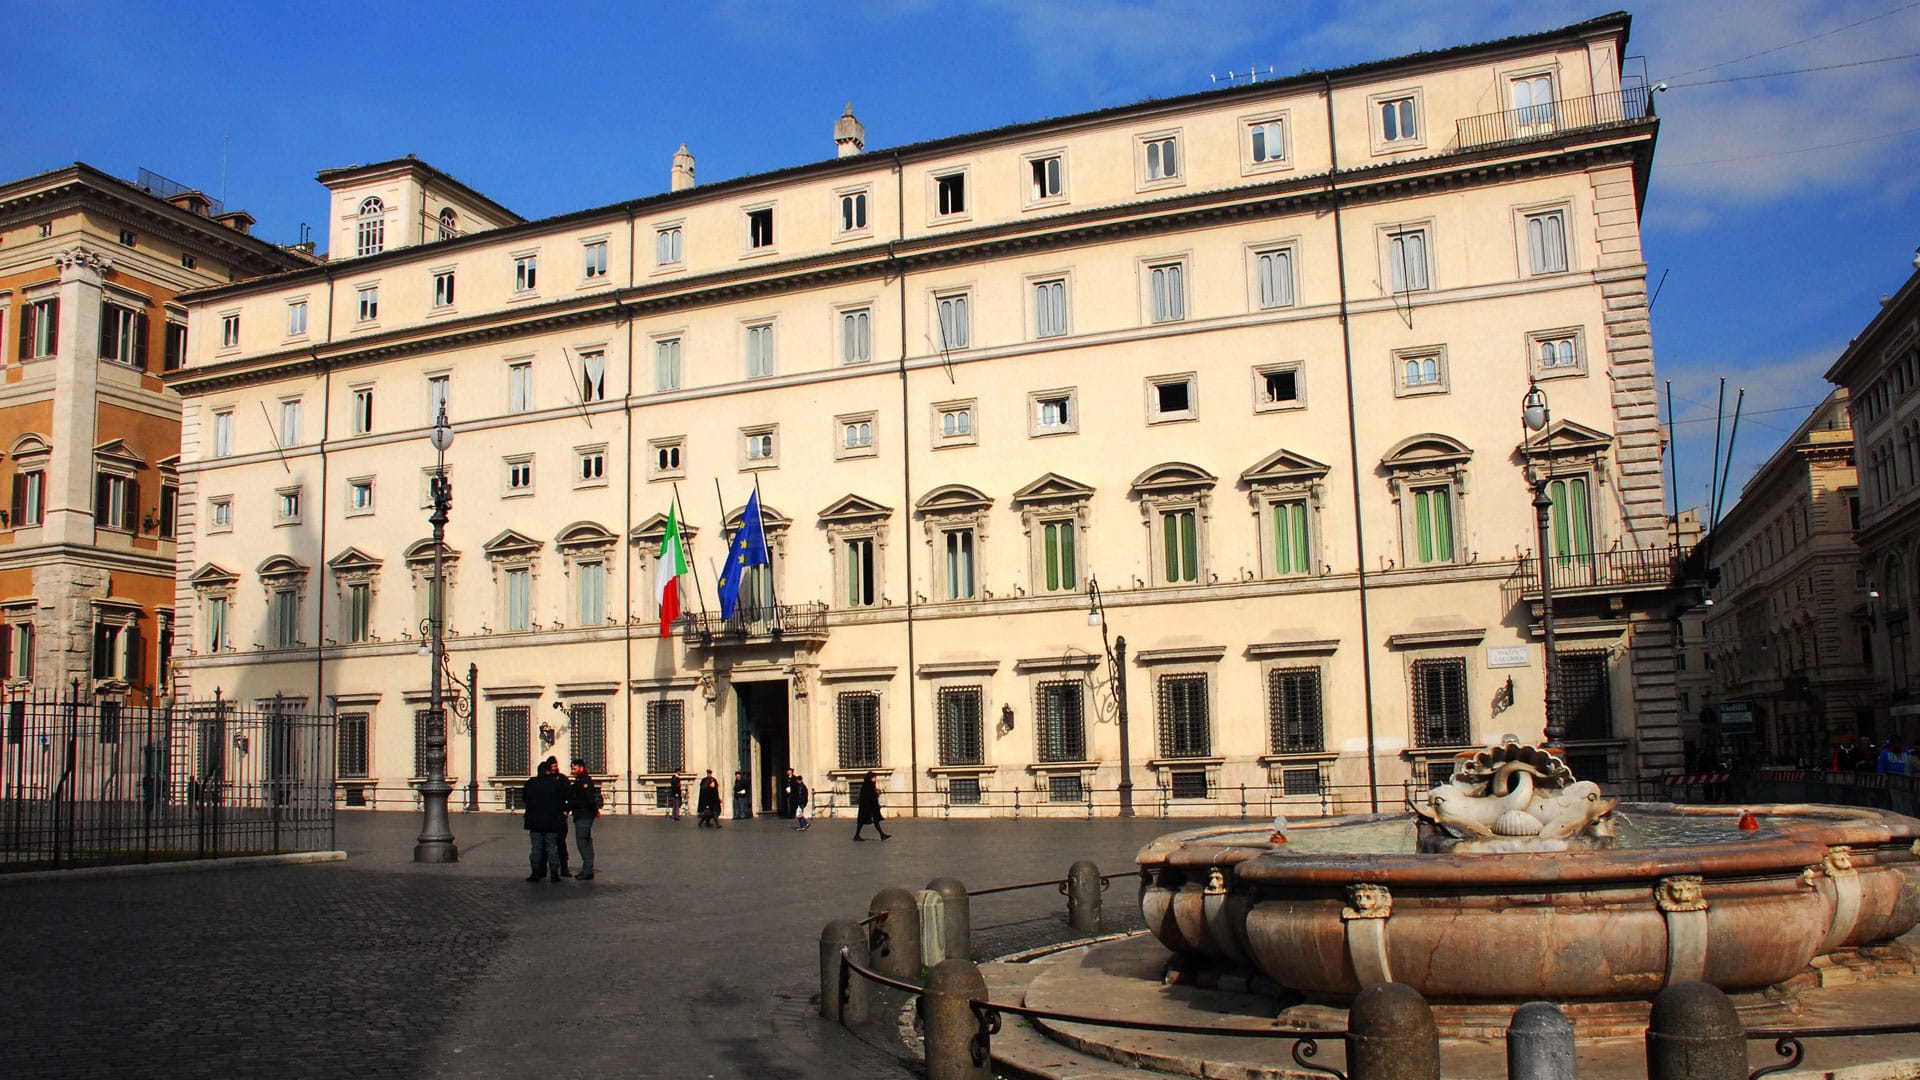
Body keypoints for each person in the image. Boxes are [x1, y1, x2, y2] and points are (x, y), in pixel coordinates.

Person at [522, 757, 571, 883]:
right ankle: (554, 873)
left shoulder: (531, 783)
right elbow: (564, 798)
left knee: (536, 848)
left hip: (535, 821)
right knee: (552, 847)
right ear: (548, 771)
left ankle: (535, 872)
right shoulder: (556, 783)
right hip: (553, 821)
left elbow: (525, 798)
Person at [567, 758, 602, 880]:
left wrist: (595, 810)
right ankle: (588, 868)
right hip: (581, 814)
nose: (572, 771)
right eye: (572, 768)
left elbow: (589, 798)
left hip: (584, 815)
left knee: (582, 842)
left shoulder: (584, 781)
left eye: (574, 768)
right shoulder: (579, 780)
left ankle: (587, 870)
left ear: (581, 768)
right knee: (585, 841)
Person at [853, 770, 888, 841]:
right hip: (867, 807)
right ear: (870, 778)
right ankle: (857, 835)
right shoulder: (868, 786)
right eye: (874, 777)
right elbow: (869, 797)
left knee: (875, 820)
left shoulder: (870, 785)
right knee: (862, 822)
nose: (875, 779)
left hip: (870, 806)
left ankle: (882, 835)